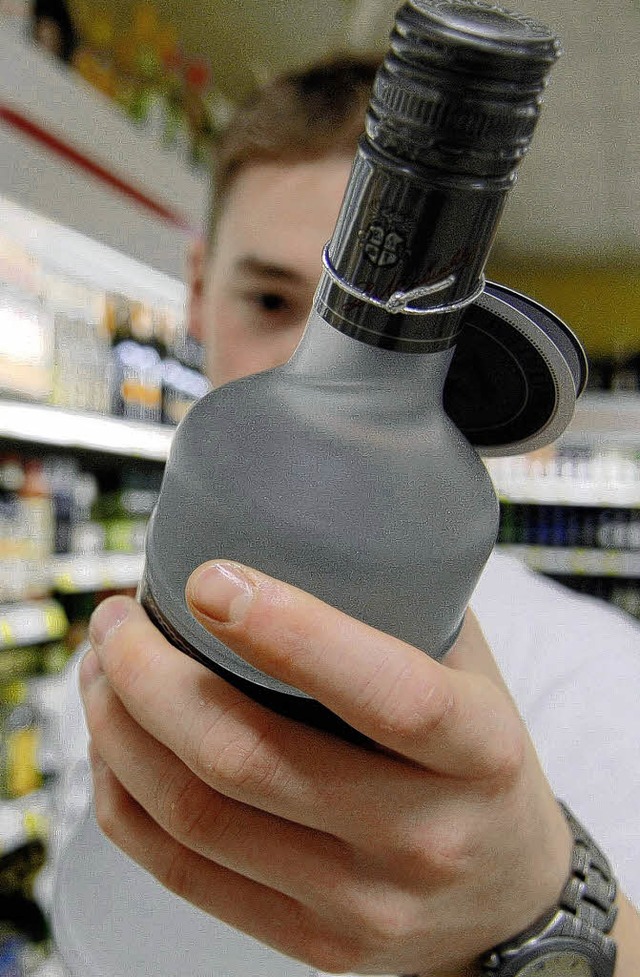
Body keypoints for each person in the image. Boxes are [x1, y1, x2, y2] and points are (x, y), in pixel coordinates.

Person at [53, 55, 640, 977]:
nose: (309, 364)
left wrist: (533, 903)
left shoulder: (590, 675)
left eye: (348, 321)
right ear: (199, 291)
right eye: (272, 300)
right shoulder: (142, 586)